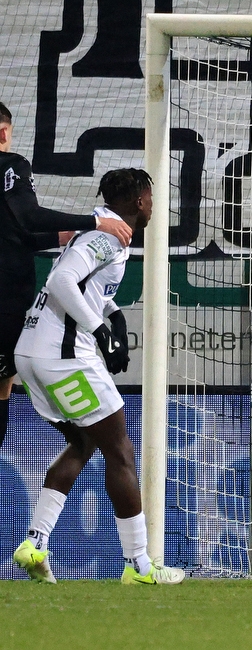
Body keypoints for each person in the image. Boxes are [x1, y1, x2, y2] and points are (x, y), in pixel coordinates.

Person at [12, 168, 184, 585]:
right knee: (121, 451)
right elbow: (61, 281)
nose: (154, 204)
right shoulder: (106, 236)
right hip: (63, 357)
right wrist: (99, 329)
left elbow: (88, 288)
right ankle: (139, 566)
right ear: (141, 201)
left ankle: (34, 544)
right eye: (152, 195)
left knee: (85, 441)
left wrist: (115, 316)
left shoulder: (103, 233)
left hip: (31, 353)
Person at [0, 101, 132, 450]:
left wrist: (61, 238)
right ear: (3, 132)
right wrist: (92, 222)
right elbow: (29, 216)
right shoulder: (10, 166)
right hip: (9, 310)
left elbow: (17, 235)